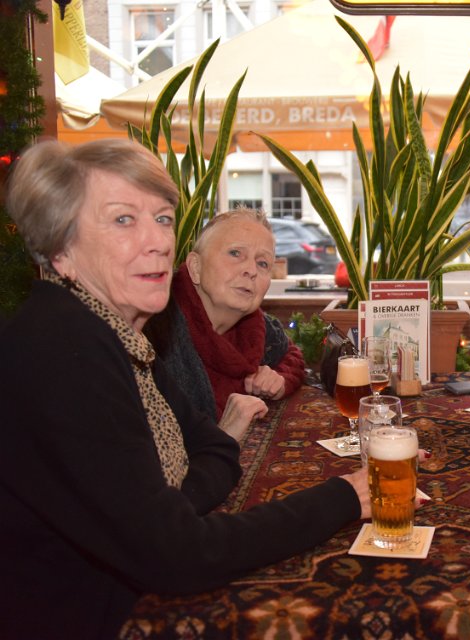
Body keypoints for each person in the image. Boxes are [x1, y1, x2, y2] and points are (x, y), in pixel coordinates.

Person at [0, 139, 370, 640]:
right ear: (60, 249)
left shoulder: (119, 335)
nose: (157, 241)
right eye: (123, 220)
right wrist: (343, 496)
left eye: (163, 219)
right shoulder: (62, 349)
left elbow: (215, 445)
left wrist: (172, 506)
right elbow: (182, 556)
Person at [147, 208, 305, 440]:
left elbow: (292, 355)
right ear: (195, 268)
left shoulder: (256, 327)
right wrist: (225, 437)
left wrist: (280, 378)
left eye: (262, 263)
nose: (251, 270)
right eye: (235, 253)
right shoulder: (154, 332)